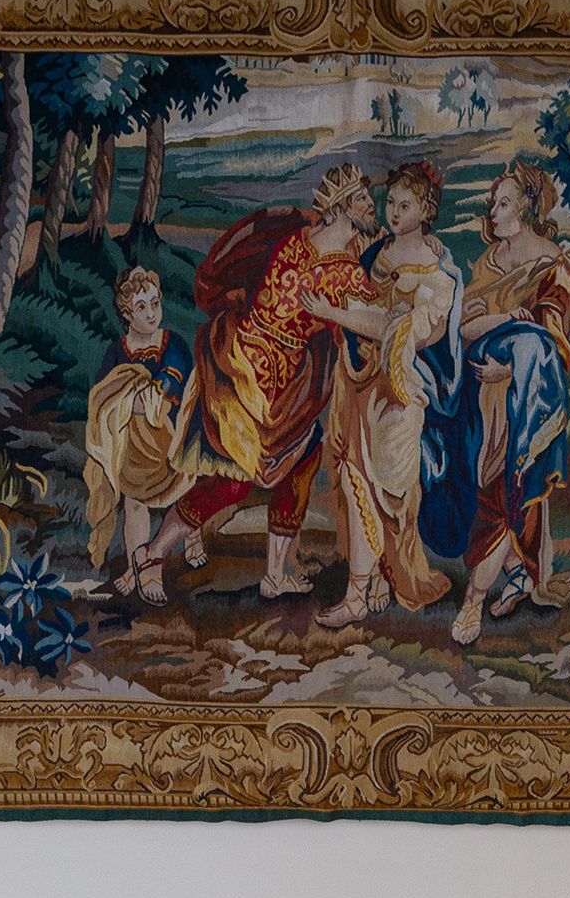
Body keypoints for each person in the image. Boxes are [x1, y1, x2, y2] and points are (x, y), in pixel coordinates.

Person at [130, 164, 382, 603]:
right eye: (362, 198)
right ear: (342, 206)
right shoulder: (338, 267)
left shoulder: (310, 239)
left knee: (303, 457)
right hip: (244, 375)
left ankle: (274, 574)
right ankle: (151, 553)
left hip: (276, 378)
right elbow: (378, 323)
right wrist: (339, 315)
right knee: (232, 481)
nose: (370, 205)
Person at [301, 161, 468, 628]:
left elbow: (401, 330)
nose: (394, 212)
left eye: (405, 205)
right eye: (391, 202)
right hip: (358, 380)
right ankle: (359, 590)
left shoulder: (439, 275)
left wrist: (335, 314)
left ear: (426, 211)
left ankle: (384, 574)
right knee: (354, 478)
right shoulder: (374, 251)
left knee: (389, 490)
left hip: (399, 392)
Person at [444, 160, 570, 646]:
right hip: (479, 398)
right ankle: (518, 573)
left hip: (524, 399)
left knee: (505, 492)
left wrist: (508, 370)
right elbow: (465, 328)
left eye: (503, 203)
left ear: (526, 208)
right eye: (494, 202)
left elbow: (550, 346)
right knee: (482, 489)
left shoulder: (554, 266)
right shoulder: (489, 262)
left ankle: (472, 602)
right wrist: (507, 319)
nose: (493, 211)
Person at [83, 267, 196, 604]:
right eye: (142, 307)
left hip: (171, 435)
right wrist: (129, 400)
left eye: (155, 304)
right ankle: (143, 570)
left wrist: (148, 395)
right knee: (134, 503)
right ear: (126, 314)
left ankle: (191, 539)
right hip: (133, 443)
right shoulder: (117, 352)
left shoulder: (172, 343)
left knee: (185, 493)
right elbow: (103, 396)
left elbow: (173, 378)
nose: (151, 313)